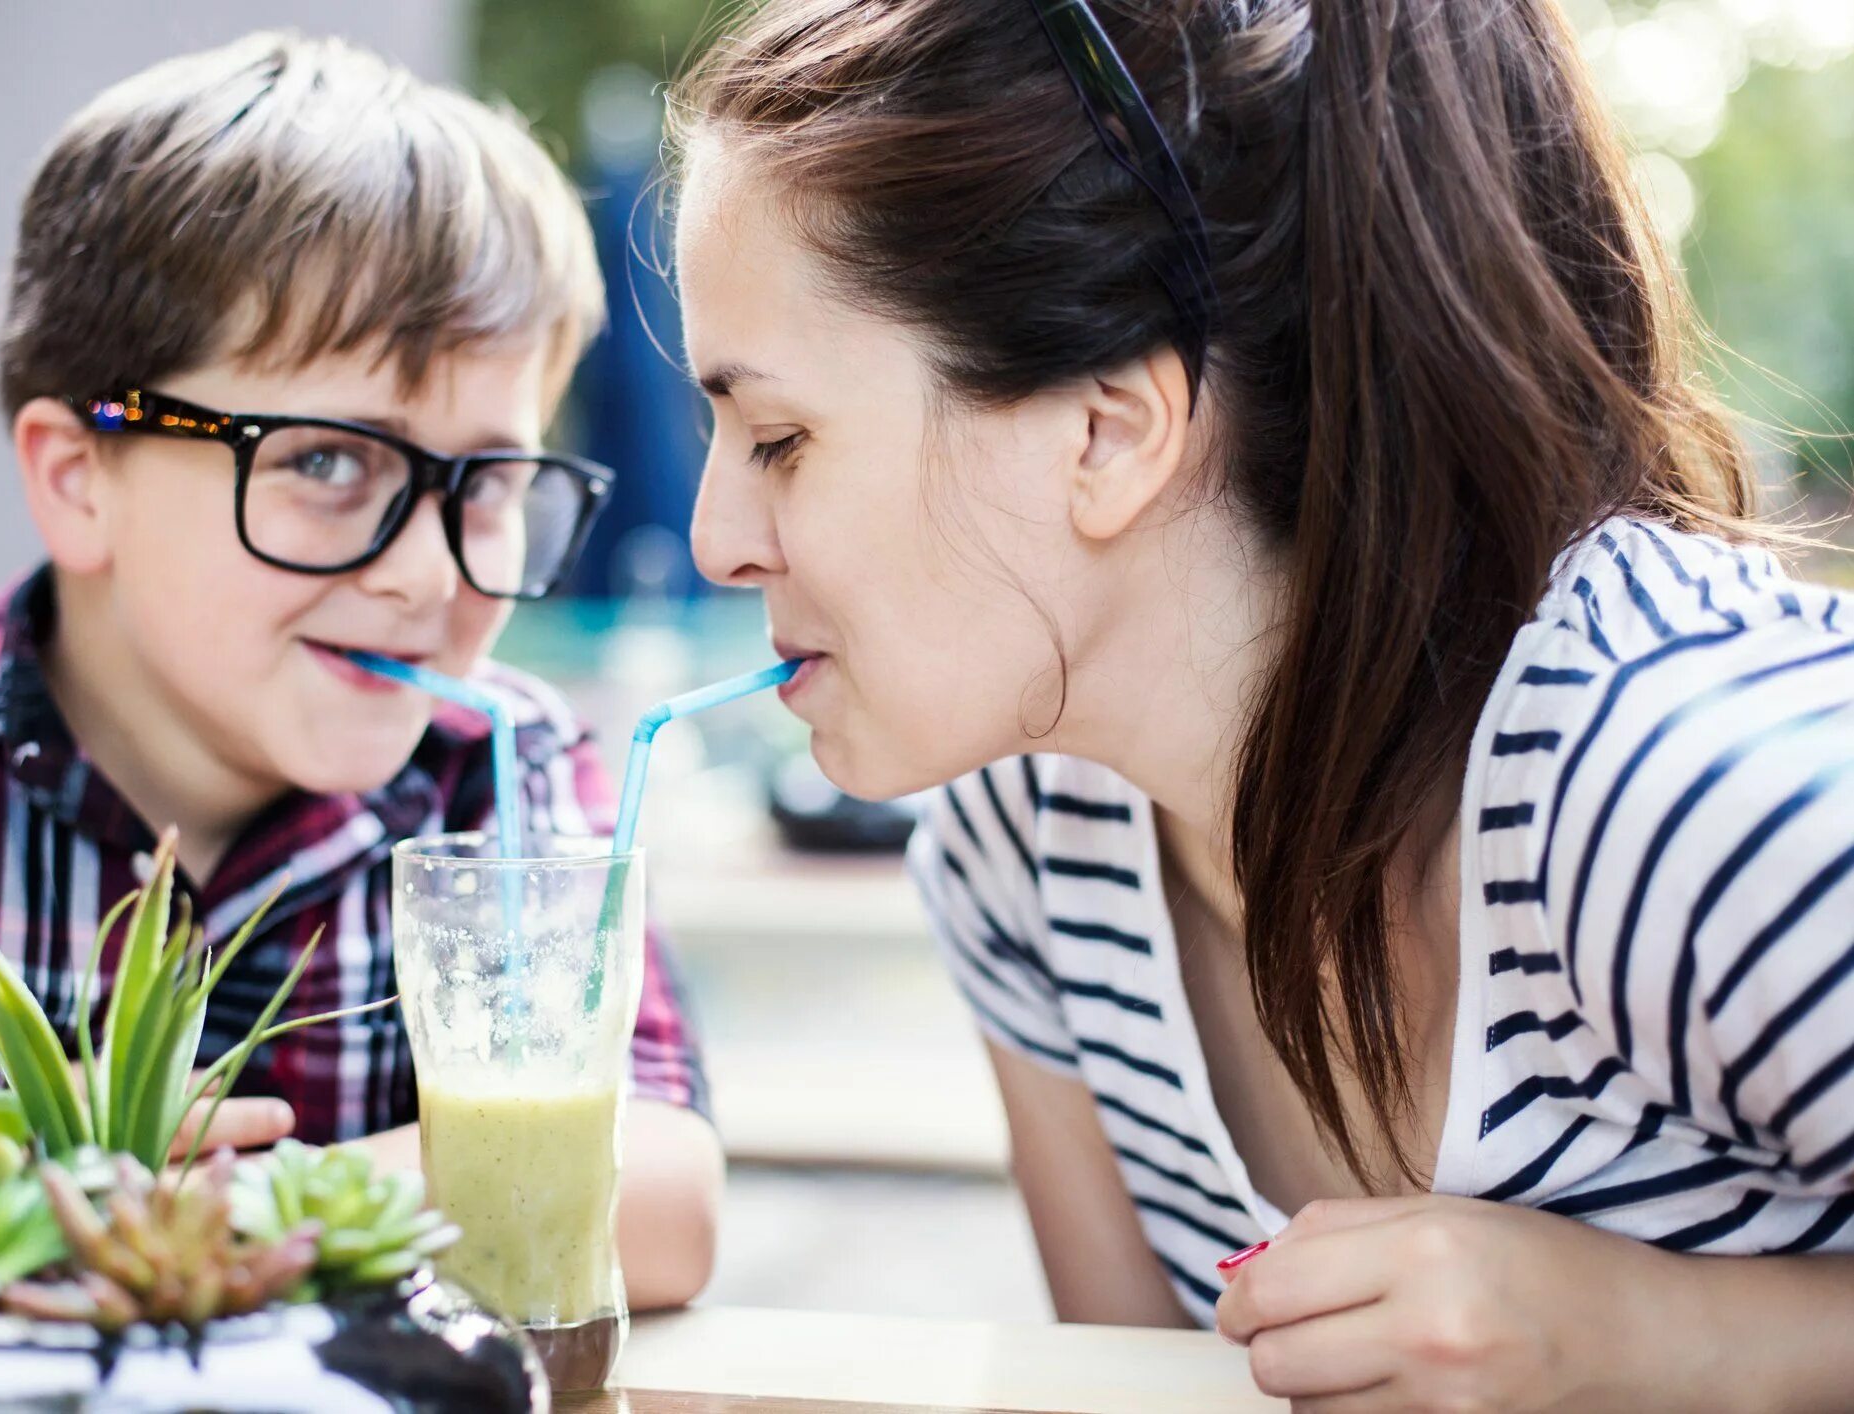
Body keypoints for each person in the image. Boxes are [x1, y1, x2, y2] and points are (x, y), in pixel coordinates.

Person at [670, 0, 1854, 1406]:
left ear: (1108, 432)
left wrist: (1665, 1338)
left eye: (779, 438)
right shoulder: (1026, 840)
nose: (712, 536)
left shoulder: (1678, 784)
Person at [0, 31, 719, 1312]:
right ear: (80, 479)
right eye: (325, 463)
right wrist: (34, 1211)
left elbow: (666, 1198)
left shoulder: (506, 783)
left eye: (485, 481)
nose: (429, 574)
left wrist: (218, 1218)